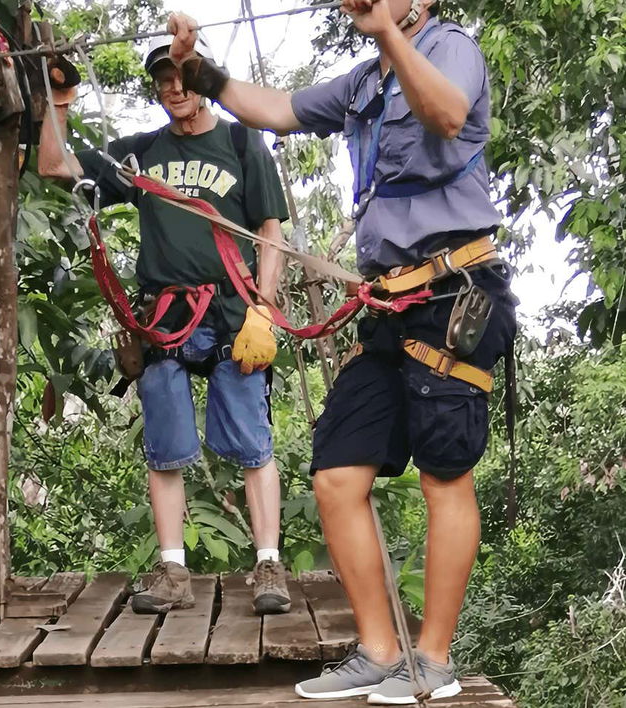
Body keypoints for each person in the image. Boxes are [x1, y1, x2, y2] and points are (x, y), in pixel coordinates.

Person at [165, 0, 517, 702]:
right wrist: (199, 72)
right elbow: (277, 109)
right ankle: (379, 651)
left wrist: (387, 31)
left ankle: (434, 660)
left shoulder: (452, 49)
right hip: (389, 306)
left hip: (455, 296)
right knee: (335, 475)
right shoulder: (362, 82)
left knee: (444, 475)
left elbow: (447, 115)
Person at [38, 36, 294, 616]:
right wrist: (60, 96)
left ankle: (268, 564)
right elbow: (55, 166)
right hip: (165, 318)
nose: (174, 88)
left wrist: (264, 308)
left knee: (253, 442)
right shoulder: (141, 153)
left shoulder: (242, 142)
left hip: (234, 311)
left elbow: (270, 232)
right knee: (166, 447)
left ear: (201, 80)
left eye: (182, 76)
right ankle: (174, 571)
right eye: (163, 80)